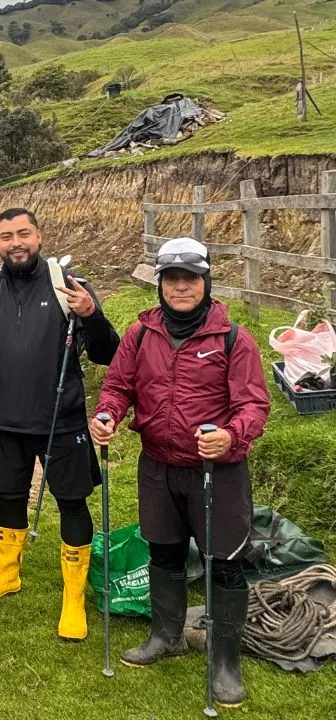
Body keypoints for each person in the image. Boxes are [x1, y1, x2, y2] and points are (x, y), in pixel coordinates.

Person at [90, 238, 269, 708]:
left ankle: (225, 661)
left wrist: (231, 435)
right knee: (164, 553)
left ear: (205, 281)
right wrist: (107, 414)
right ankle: (166, 636)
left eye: (190, 278)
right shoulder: (140, 334)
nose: (181, 287)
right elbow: (118, 386)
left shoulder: (233, 338)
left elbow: (254, 404)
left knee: (224, 563)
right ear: (160, 284)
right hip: (158, 465)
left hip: (216, 471)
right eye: (172, 278)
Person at [0, 207, 119, 640]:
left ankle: (73, 598)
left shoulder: (68, 284)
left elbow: (107, 352)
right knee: (9, 496)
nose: (16, 243)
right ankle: (7, 574)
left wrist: (91, 314)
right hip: (5, 418)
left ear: (39, 237)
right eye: (7, 236)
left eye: (23, 234)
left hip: (61, 419)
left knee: (72, 501)